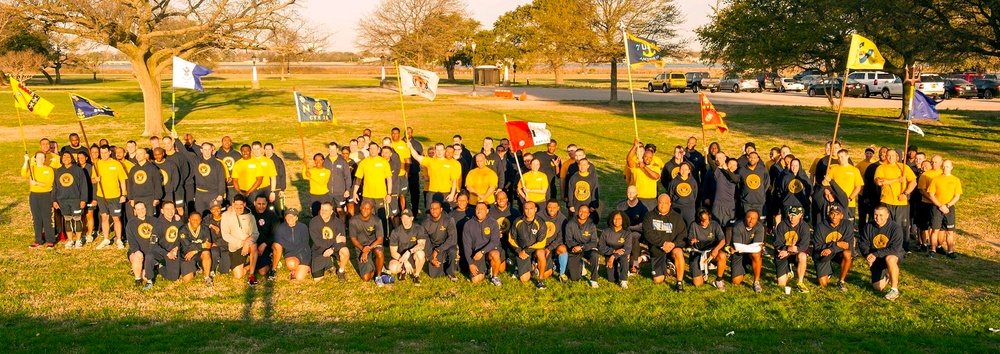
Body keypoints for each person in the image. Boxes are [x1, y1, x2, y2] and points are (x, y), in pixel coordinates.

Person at [642, 194, 688, 291]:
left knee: (679, 252)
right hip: (657, 250)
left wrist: (673, 244)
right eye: (660, 203)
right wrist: (662, 243)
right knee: (658, 280)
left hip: (672, 249)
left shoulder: (677, 218)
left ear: (670, 204)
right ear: (657, 203)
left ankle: (679, 283)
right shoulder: (649, 216)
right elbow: (647, 234)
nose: (663, 205)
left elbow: (683, 235)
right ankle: (669, 268)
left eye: (665, 203)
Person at [874, 149, 917, 251]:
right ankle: (886, 244)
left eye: (893, 156)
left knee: (902, 225)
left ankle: (903, 247)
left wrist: (906, 193)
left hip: (901, 202)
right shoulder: (881, 167)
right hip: (886, 201)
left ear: (897, 156)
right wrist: (897, 180)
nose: (891, 158)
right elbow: (879, 182)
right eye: (888, 155)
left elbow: (913, 182)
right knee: (886, 224)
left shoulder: (903, 167)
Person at [859, 206, 904, 300]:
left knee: (890, 259)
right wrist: (867, 255)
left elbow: (894, 249)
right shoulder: (868, 226)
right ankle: (888, 274)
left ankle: (894, 289)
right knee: (878, 288)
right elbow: (863, 243)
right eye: (876, 215)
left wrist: (875, 254)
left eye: (881, 215)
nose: (878, 218)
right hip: (876, 257)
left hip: (892, 254)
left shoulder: (895, 228)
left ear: (887, 215)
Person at [91, 145, 128, 250]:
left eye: (105, 153)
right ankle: (106, 239)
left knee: (116, 218)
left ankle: (119, 239)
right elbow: (92, 180)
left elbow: (122, 180)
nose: (103, 155)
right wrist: (96, 180)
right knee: (104, 217)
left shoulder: (116, 164)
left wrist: (124, 194)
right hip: (102, 196)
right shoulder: (97, 164)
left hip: (115, 196)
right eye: (101, 153)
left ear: (109, 153)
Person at [220, 195, 260, 286]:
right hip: (235, 246)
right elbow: (225, 235)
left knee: (253, 245)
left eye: (241, 205)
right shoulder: (226, 215)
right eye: (236, 204)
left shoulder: (250, 216)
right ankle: (254, 263)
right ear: (233, 204)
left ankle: (252, 275)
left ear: (244, 204)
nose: (238, 207)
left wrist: (247, 243)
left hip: (248, 244)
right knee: (238, 275)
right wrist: (242, 242)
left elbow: (255, 233)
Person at [409, 141, 460, 212]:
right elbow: (417, 157)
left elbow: (454, 180)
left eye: (441, 150)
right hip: (432, 193)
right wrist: (411, 147)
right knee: (430, 213)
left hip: (445, 193)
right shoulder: (430, 161)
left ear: (444, 151)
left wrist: (452, 194)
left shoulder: (450, 164)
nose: (439, 152)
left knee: (446, 214)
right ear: (435, 151)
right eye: (437, 150)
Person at [812, 206, 853, 291]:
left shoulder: (847, 225)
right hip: (823, 254)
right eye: (832, 213)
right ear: (828, 215)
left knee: (848, 253)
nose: (834, 216)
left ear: (841, 216)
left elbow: (847, 245)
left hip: (837, 252)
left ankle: (841, 281)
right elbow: (817, 247)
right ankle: (829, 271)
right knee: (823, 284)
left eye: (837, 214)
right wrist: (837, 244)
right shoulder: (820, 227)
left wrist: (831, 249)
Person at [926, 160, 962, 259]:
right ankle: (933, 249)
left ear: (951, 167)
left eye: (947, 166)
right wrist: (940, 205)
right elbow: (931, 194)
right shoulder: (936, 179)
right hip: (937, 208)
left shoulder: (956, 180)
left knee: (949, 231)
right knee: (935, 230)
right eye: (944, 166)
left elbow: (957, 196)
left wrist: (948, 205)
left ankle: (950, 251)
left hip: (949, 208)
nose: (945, 168)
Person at [53, 151, 89, 248]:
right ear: (61, 159)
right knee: (67, 219)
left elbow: (84, 186)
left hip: (76, 199)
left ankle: (78, 240)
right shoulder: (59, 171)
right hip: (62, 199)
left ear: (72, 158)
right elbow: (55, 186)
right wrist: (54, 200)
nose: (66, 159)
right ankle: (70, 240)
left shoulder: (78, 170)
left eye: (68, 157)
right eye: (64, 157)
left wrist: (83, 200)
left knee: (77, 219)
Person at [462, 202, 504, 286]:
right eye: (478, 209)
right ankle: (487, 268)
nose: (479, 211)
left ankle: (494, 277)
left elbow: (495, 241)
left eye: (482, 209)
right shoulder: (468, 224)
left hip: (489, 250)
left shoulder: (493, 222)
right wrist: (470, 263)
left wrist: (482, 252)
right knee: (475, 280)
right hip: (476, 253)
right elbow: (466, 246)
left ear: (487, 211)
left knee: (496, 256)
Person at [510, 201, 549, 289]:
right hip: (522, 251)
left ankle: (541, 280)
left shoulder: (541, 223)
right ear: (523, 210)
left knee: (540, 253)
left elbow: (542, 242)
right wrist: (519, 251)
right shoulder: (517, 221)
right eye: (526, 209)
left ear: (535, 210)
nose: (529, 211)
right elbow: (511, 238)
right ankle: (531, 266)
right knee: (524, 279)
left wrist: (527, 250)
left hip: (534, 250)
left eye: (531, 209)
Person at [773, 206, 811, 294]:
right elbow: (776, 243)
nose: (792, 217)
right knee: (781, 284)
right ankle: (788, 269)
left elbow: (804, 246)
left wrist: (790, 251)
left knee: (803, 256)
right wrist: (787, 249)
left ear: (800, 215)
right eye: (790, 215)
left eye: (795, 215)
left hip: (796, 253)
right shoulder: (782, 225)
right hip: (783, 253)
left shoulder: (804, 227)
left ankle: (800, 282)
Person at [686, 209, 727, 291]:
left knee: (722, 255)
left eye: (705, 220)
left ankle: (718, 280)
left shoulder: (715, 224)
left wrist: (716, 249)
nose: (703, 222)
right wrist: (691, 241)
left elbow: (723, 240)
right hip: (698, 252)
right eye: (701, 220)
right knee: (698, 284)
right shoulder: (694, 225)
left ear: (709, 218)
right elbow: (689, 240)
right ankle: (701, 272)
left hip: (711, 252)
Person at [146, 202, 185, 284]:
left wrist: (176, 248)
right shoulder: (158, 224)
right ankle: (149, 280)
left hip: (174, 251)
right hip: (161, 251)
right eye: (167, 209)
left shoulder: (178, 221)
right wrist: (167, 253)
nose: (170, 211)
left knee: (173, 277)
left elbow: (183, 237)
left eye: (172, 209)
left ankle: (160, 267)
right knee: (149, 257)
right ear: (162, 211)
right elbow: (153, 244)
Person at [23, 152, 56, 248]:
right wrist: (25, 161)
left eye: (42, 157)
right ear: (35, 159)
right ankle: (38, 240)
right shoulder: (32, 168)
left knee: (47, 218)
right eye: (38, 157)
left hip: (45, 195)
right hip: (34, 195)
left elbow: (49, 184)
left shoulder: (49, 169)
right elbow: (23, 173)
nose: (40, 159)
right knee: (36, 218)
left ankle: (50, 240)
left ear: (45, 159)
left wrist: (36, 183)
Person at [564, 205, 601, 287]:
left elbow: (594, 242)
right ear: (578, 211)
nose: (582, 213)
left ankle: (594, 279)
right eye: (581, 211)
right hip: (574, 249)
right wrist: (575, 247)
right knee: (574, 278)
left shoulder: (591, 225)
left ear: (588, 214)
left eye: (585, 212)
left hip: (587, 248)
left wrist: (582, 247)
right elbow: (568, 239)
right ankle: (581, 264)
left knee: (594, 255)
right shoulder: (570, 223)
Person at [614, 185, 648, 274]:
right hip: (622, 231)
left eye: (633, 192)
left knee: (633, 237)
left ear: (637, 193)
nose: (631, 194)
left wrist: (628, 228)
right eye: (629, 192)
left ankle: (635, 265)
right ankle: (620, 260)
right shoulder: (620, 206)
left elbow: (641, 225)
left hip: (637, 232)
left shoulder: (643, 208)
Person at [272, 208, 313, 281]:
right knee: (291, 264)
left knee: (299, 278)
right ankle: (294, 270)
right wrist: (292, 251)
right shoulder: (281, 227)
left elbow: (305, 242)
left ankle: (306, 267)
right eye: (288, 216)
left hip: (303, 253)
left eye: (293, 216)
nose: (290, 218)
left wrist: (295, 250)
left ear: (296, 218)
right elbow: (278, 239)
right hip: (290, 254)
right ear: (285, 217)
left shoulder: (303, 227)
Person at [388, 210, 427, 285]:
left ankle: (416, 275)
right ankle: (403, 270)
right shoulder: (395, 232)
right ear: (400, 219)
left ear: (412, 218)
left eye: (407, 218)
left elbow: (422, 245)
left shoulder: (419, 228)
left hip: (413, 256)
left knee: (421, 254)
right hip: (401, 257)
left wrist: (409, 252)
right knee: (392, 267)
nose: (405, 221)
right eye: (403, 218)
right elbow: (393, 253)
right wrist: (405, 261)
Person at [125, 201, 159, 289]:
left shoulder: (154, 220)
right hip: (138, 251)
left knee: (146, 277)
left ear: (146, 209)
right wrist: (136, 251)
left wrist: (176, 217)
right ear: (135, 211)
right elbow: (131, 241)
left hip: (151, 253)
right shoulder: (131, 224)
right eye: (138, 209)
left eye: (142, 208)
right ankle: (137, 279)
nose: (141, 211)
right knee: (137, 257)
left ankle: (142, 270)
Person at [349, 200, 385, 283]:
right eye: (364, 208)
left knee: (379, 251)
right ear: (360, 208)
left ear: (372, 210)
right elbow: (353, 238)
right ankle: (377, 267)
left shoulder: (377, 220)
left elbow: (380, 239)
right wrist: (363, 249)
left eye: (368, 209)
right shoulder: (353, 221)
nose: (365, 210)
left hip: (374, 246)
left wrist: (367, 249)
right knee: (366, 278)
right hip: (360, 248)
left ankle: (378, 276)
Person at [730, 210, 765, 293]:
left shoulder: (760, 227)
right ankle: (744, 269)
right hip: (738, 254)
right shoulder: (737, 226)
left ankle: (756, 282)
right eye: (749, 217)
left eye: (754, 218)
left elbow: (757, 248)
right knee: (736, 281)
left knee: (756, 254)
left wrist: (741, 248)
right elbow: (737, 246)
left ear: (757, 219)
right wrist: (755, 248)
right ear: (745, 217)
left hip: (748, 253)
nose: (751, 220)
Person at [423, 201, 460, 281]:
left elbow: (452, 239)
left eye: (436, 208)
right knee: (434, 275)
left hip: (447, 246)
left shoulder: (449, 220)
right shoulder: (425, 223)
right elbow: (426, 242)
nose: (434, 210)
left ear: (441, 209)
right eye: (432, 208)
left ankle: (451, 271)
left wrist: (438, 250)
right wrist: (431, 258)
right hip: (434, 246)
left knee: (453, 250)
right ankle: (444, 264)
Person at [827, 149, 864, 223]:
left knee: (849, 223)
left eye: (842, 157)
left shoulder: (854, 170)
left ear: (847, 156)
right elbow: (827, 184)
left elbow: (858, 187)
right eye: (838, 157)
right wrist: (829, 195)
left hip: (849, 203)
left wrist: (850, 198)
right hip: (836, 202)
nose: (840, 159)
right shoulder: (833, 169)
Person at [178, 211, 214, 285]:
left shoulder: (205, 228)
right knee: (187, 279)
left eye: (198, 219)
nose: (195, 221)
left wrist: (194, 251)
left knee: (206, 253)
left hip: (197, 252)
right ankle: (196, 267)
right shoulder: (183, 229)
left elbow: (208, 244)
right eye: (193, 219)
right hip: (186, 254)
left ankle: (207, 277)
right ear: (189, 219)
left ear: (201, 220)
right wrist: (202, 245)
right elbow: (188, 246)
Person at [600, 210, 634, 289]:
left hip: (621, 255)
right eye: (615, 219)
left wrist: (614, 256)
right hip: (609, 253)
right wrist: (612, 252)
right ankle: (619, 269)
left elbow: (627, 249)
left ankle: (624, 280)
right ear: (612, 219)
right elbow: (601, 246)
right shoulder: (606, 231)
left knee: (624, 260)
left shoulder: (627, 233)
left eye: (619, 219)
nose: (617, 221)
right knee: (612, 279)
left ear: (623, 220)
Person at [126, 148, 163, 219]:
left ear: (145, 155)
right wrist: (131, 198)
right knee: (139, 218)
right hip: (137, 197)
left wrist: (157, 198)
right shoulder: (133, 169)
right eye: (136, 154)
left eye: (140, 154)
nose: (138, 156)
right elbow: (130, 184)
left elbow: (157, 183)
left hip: (149, 198)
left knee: (150, 218)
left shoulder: (152, 168)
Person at [627, 139, 662, 210]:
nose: (648, 159)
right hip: (638, 198)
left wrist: (644, 167)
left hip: (651, 200)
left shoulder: (655, 166)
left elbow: (656, 176)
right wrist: (634, 146)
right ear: (643, 156)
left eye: (650, 157)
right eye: (646, 157)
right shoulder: (636, 166)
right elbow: (629, 159)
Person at [251, 195, 280, 280]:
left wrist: (264, 244)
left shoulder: (272, 216)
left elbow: (276, 234)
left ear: (267, 204)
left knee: (263, 272)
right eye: (259, 204)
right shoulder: (249, 212)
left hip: (266, 244)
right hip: (252, 244)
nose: (261, 206)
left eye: (263, 204)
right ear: (254, 203)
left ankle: (271, 262)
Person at [193, 142, 227, 215]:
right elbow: (185, 153)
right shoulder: (196, 161)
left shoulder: (218, 164)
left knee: (214, 215)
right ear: (201, 150)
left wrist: (220, 194)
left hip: (213, 194)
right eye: (205, 149)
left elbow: (221, 180)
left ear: (212, 150)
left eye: (209, 149)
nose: (207, 151)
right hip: (200, 194)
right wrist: (177, 140)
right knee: (200, 214)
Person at [539, 199, 569, 281]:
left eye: (554, 208)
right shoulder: (539, 216)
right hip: (540, 246)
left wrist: (550, 248)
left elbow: (561, 237)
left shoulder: (563, 219)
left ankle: (561, 273)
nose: (552, 210)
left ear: (558, 208)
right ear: (546, 207)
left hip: (554, 246)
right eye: (549, 207)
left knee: (563, 249)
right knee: (545, 275)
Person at [323, 142, 354, 220]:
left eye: (334, 149)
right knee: (329, 211)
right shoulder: (325, 161)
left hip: (340, 192)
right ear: (328, 150)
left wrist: (347, 189)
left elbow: (347, 176)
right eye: (330, 149)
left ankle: (341, 229)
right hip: (328, 192)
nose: (332, 151)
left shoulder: (342, 161)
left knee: (340, 212)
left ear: (337, 150)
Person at [777, 158, 812, 225]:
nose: (794, 167)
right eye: (792, 165)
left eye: (796, 165)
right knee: (787, 224)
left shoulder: (804, 178)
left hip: (801, 205)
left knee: (801, 225)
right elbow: (781, 191)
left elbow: (809, 191)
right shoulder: (785, 178)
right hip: (788, 205)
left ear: (799, 166)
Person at [738, 152, 769, 223]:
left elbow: (766, 184)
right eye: (751, 157)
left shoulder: (763, 170)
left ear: (758, 159)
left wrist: (760, 193)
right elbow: (739, 185)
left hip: (759, 202)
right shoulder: (742, 170)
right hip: (746, 202)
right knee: (746, 222)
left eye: (754, 158)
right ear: (748, 158)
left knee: (761, 223)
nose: (752, 159)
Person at [567, 158, 599, 222]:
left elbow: (595, 193)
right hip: (576, 205)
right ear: (578, 165)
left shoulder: (592, 178)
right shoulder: (574, 177)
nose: (582, 167)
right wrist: (570, 204)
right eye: (580, 165)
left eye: (584, 165)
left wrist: (593, 205)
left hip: (588, 205)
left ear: (588, 166)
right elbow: (570, 192)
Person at [667, 162, 699, 226]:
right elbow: (670, 194)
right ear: (679, 170)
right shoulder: (674, 182)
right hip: (676, 207)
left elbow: (695, 195)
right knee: (676, 225)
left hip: (689, 208)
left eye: (686, 170)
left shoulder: (693, 182)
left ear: (689, 171)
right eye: (682, 169)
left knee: (689, 226)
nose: (683, 171)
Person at [152, 147, 182, 212]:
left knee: (169, 210)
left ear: (163, 153)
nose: (157, 156)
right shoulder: (152, 165)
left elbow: (176, 178)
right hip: (157, 193)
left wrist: (172, 189)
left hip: (168, 192)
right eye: (155, 155)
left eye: (159, 154)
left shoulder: (171, 164)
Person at [215, 136, 242, 205]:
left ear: (231, 143)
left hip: (233, 186)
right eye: (225, 140)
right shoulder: (216, 154)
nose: (227, 142)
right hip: (219, 186)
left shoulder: (237, 154)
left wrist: (233, 177)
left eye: (228, 141)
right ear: (221, 142)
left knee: (233, 205)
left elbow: (241, 169)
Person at [263, 143, 287, 211]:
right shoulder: (262, 160)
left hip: (277, 189)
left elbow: (282, 174)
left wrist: (282, 189)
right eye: (266, 149)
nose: (268, 151)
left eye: (269, 149)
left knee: (279, 210)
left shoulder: (278, 160)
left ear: (273, 150)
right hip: (265, 188)